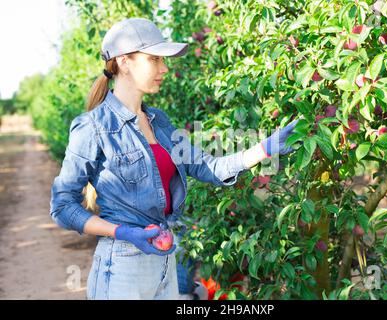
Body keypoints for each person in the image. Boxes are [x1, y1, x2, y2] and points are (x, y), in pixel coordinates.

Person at [50, 17, 299, 300]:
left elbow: (207, 165)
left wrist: (265, 149)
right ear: (124, 62)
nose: (164, 68)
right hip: (122, 267)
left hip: (165, 261)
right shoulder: (93, 127)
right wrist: (123, 232)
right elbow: (62, 206)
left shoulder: (160, 122)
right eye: (154, 59)